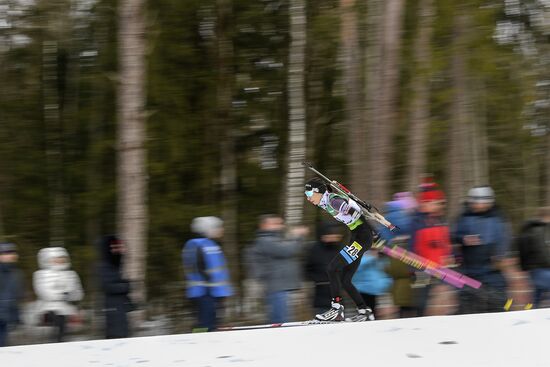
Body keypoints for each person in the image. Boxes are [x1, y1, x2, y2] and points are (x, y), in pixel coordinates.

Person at [304, 177, 375, 322]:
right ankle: (364, 311)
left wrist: (370, 225)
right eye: (306, 196)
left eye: (310, 195)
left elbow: (351, 211)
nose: (308, 199)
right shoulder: (326, 201)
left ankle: (336, 309)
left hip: (362, 238)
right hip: (357, 237)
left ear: (319, 192)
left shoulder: (332, 201)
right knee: (345, 279)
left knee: (332, 268)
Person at [452, 186, 510, 314]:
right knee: (468, 300)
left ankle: (502, 319)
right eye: (478, 202)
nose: (481, 205)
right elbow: (454, 236)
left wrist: (500, 255)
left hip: (491, 268)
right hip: (470, 267)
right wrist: (464, 239)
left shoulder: (497, 218)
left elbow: (504, 238)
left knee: (499, 298)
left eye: (485, 202)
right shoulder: (464, 218)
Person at [251, 214, 307, 323]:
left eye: (280, 223)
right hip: (276, 286)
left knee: (284, 320)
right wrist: (297, 236)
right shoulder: (265, 240)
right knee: (281, 321)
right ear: (264, 225)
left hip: (282, 286)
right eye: (275, 223)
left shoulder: (275, 239)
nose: (280, 226)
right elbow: (286, 251)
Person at [410, 180, 453, 316]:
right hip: (422, 267)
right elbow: (413, 245)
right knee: (422, 298)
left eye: (437, 203)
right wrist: (412, 267)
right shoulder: (417, 222)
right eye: (433, 203)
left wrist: (449, 255)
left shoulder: (442, 220)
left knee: (443, 296)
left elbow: (446, 242)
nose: (437, 206)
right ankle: (420, 319)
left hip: (440, 266)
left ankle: (442, 319)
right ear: (424, 204)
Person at [182, 216, 233, 332]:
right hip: (204, 293)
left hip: (215, 293)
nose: (221, 230)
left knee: (213, 323)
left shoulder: (211, 244)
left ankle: (211, 343)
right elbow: (196, 267)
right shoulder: (195, 244)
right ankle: (199, 342)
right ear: (207, 229)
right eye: (218, 227)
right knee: (205, 324)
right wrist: (207, 287)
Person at [378, 193, 418, 318]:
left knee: (396, 288)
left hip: (391, 256)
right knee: (408, 285)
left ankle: (400, 312)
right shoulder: (405, 218)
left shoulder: (384, 220)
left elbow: (381, 238)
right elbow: (410, 232)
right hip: (404, 254)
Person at [33, 247, 83, 342]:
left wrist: (70, 295)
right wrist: (63, 295)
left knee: (65, 335)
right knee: (54, 332)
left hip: (68, 311)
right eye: (56, 258)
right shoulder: (41, 274)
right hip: (49, 310)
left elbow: (78, 292)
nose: (60, 260)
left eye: (62, 258)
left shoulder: (71, 274)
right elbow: (44, 292)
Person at [305, 222, 345, 314]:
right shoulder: (314, 249)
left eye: (334, 235)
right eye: (329, 235)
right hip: (321, 293)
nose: (332, 238)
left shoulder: (342, 249)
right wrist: (318, 280)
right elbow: (308, 269)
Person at [98, 235, 133, 338]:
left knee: (123, 335)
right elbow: (107, 286)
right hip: (112, 309)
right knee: (115, 337)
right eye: (114, 248)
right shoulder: (105, 265)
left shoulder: (116, 265)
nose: (118, 250)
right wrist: (125, 286)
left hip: (119, 308)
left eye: (119, 247)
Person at [516, 206, 550, 308]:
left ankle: (529, 312)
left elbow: (522, 249)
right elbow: (542, 252)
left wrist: (524, 267)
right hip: (540, 269)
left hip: (535, 270)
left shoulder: (530, 229)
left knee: (536, 295)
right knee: (538, 293)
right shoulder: (538, 231)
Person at [351, 249, 392, 317]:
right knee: (365, 310)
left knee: (372, 309)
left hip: (373, 288)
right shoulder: (360, 252)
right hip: (361, 287)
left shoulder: (377, 255)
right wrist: (371, 257)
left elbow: (383, 268)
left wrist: (386, 281)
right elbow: (356, 266)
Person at [0, 243, 23, 347]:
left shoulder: (16, 273)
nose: (10, 255)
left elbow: (16, 296)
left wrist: (16, 314)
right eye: (6, 253)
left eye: (12, 252)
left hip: (6, 316)